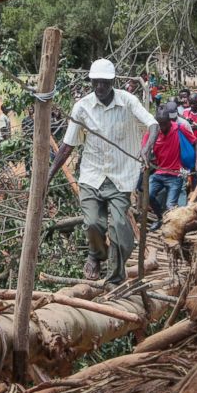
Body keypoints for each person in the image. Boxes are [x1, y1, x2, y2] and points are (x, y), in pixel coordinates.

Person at [48, 58, 158, 284]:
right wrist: (48, 177)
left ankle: (115, 278)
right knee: (93, 224)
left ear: (113, 82)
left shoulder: (128, 101)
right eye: (96, 82)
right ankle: (97, 256)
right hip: (92, 175)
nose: (100, 87)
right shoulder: (82, 107)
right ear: (91, 82)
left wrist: (147, 148)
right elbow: (68, 145)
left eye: (105, 83)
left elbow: (153, 124)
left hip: (121, 177)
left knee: (119, 228)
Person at [144, 105, 197, 231]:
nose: (162, 128)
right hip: (159, 172)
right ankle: (160, 218)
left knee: (171, 205)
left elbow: (196, 142)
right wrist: (145, 158)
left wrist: (196, 164)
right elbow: (144, 149)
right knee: (148, 195)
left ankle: (173, 228)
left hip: (176, 174)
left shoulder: (179, 129)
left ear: (170, 121)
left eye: (164, 124)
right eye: (159, 125)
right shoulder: (152, 132)